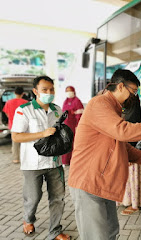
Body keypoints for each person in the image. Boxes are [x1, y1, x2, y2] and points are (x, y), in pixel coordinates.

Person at [68, 69, 141, 240]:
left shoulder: (113, 108)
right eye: (133, 92)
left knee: (110, 233)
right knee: (96, 236)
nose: (135, 97)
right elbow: (123, 131)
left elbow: (120, 145)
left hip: (103, 183)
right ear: (121, 86)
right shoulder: (99, 104)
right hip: (88, 183)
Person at [11, 76, 70, 240]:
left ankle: (55, 230)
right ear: (35, 91)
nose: (49, 93)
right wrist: (42, 134)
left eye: (51, 89)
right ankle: (28, 219)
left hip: (55, 162)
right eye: (45, 90)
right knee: (33, 197)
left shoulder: (57, 109)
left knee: (58, 198)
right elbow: (16, 136)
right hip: (32, 163)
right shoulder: (24, 110)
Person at [118, 95, 141, 215]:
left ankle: (134, 205)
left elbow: (132, 130)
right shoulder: (126, 107)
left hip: (131, 150)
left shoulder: (132, 104)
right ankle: (129, 201)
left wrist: (129, 153)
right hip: (126, 149)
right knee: (127, 177)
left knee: (132, 177)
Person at [2, 86, 28, 164]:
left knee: (15, 142)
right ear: (23, 93)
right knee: (25, 142)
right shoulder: (26, 102)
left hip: (13, 125)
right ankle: (25, 158)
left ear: (14, 93)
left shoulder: (8, 102)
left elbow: (6, 113)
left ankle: (16, 159)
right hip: (24, 124)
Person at [62, 86, 84, 165]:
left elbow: (80, 113)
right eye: (67, 91)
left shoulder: (77, 101)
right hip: (66, 125)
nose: (68, 92)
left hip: (74, 125)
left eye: (70, 91)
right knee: (66, 142)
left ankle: (73, 160)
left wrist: (78, 125)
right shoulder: (66, 101)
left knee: (73, 143)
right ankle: (65, 161)